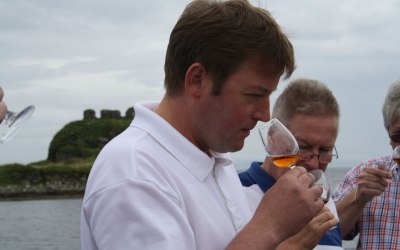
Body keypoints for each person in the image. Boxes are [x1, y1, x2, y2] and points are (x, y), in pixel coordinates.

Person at [80, 1, 324, 250]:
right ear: (197, 80)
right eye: (253, 95)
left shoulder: (216, 157)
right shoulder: (134, 173)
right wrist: (269, 226)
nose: (264, 114)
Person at [239, 78, 343, 249]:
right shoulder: (234, 193)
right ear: (272, 137)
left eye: (325, 150)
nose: (315, 163)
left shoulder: (323, 198)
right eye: (303, 147)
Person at [332, 80, 398, 249]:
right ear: (388, 132)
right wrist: (358, 199)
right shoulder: (364, 173)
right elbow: (327, 233)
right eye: (398, 136)